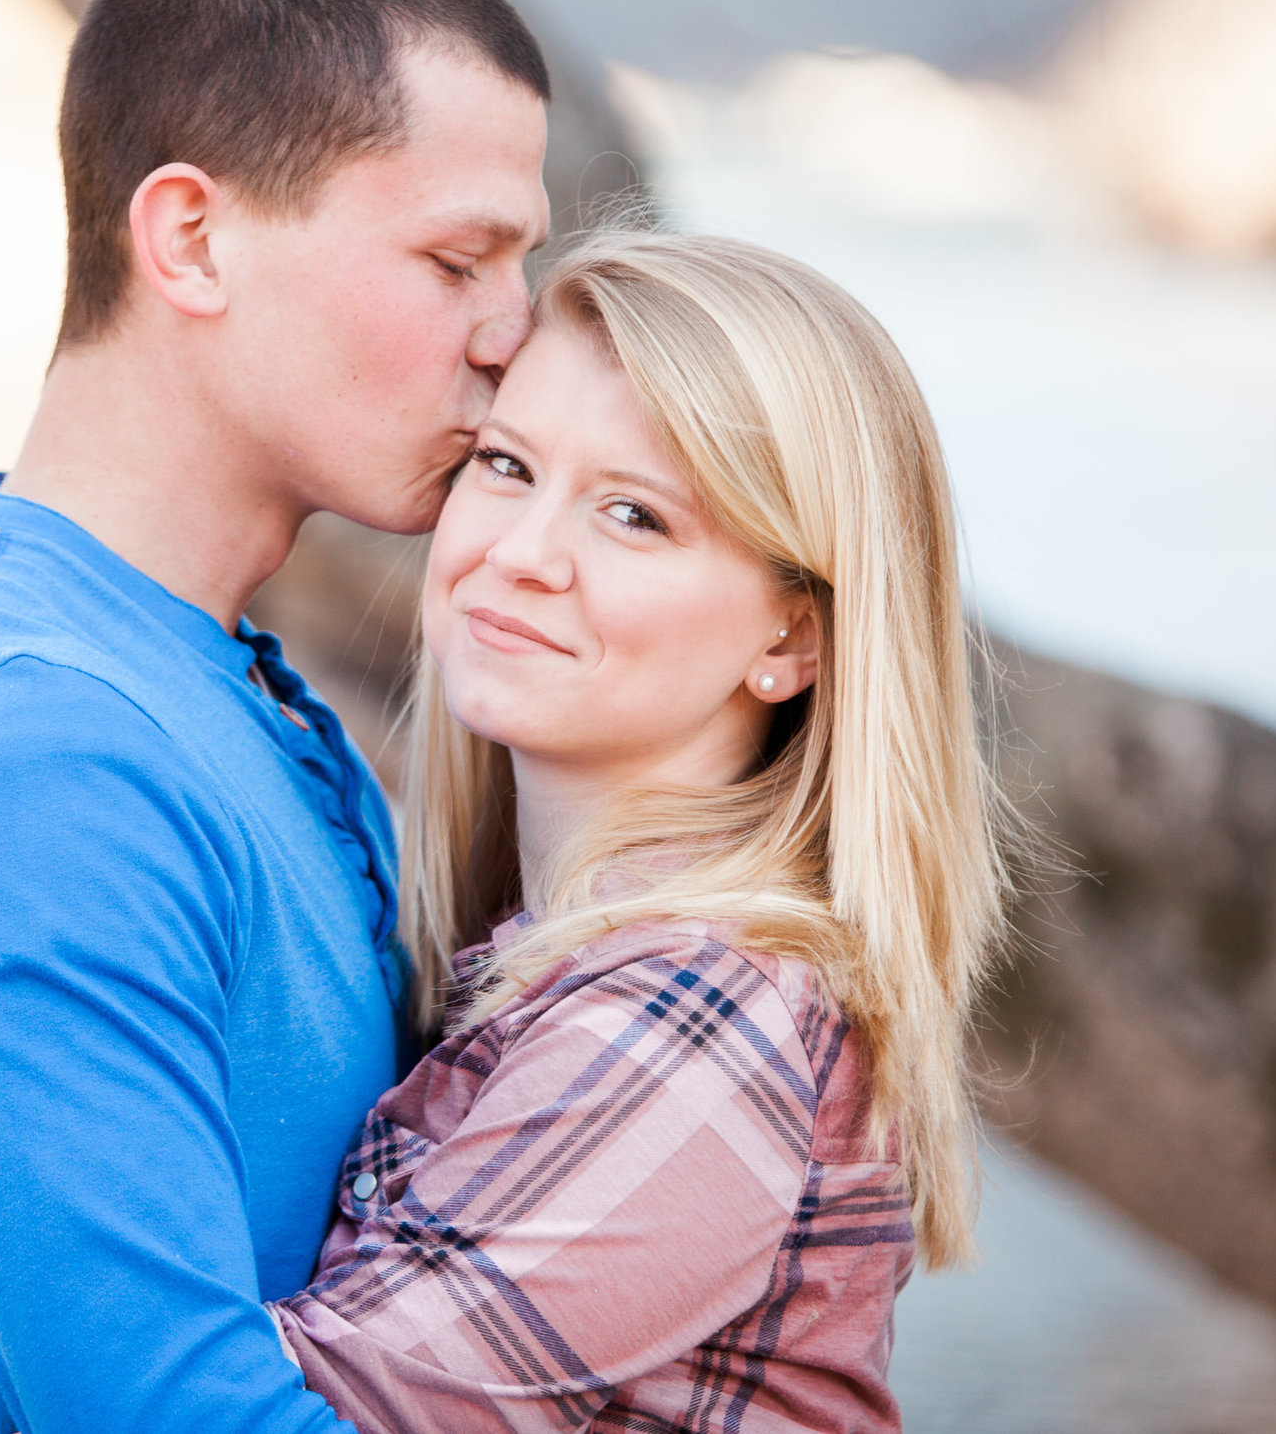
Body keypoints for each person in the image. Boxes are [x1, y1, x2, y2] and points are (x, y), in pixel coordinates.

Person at [0, 0, 551, 1433]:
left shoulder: (221, 690)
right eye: (458, 259)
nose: (515, 332)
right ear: (191, 237)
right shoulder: (25, 763)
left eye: (521, 265)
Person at [265, 233, 1013, 1431]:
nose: (520, 554)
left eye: (632, 514)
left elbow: (263, 1416)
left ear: (792, 639)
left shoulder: (696, 1007)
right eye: (506, 464)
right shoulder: (547, 960)